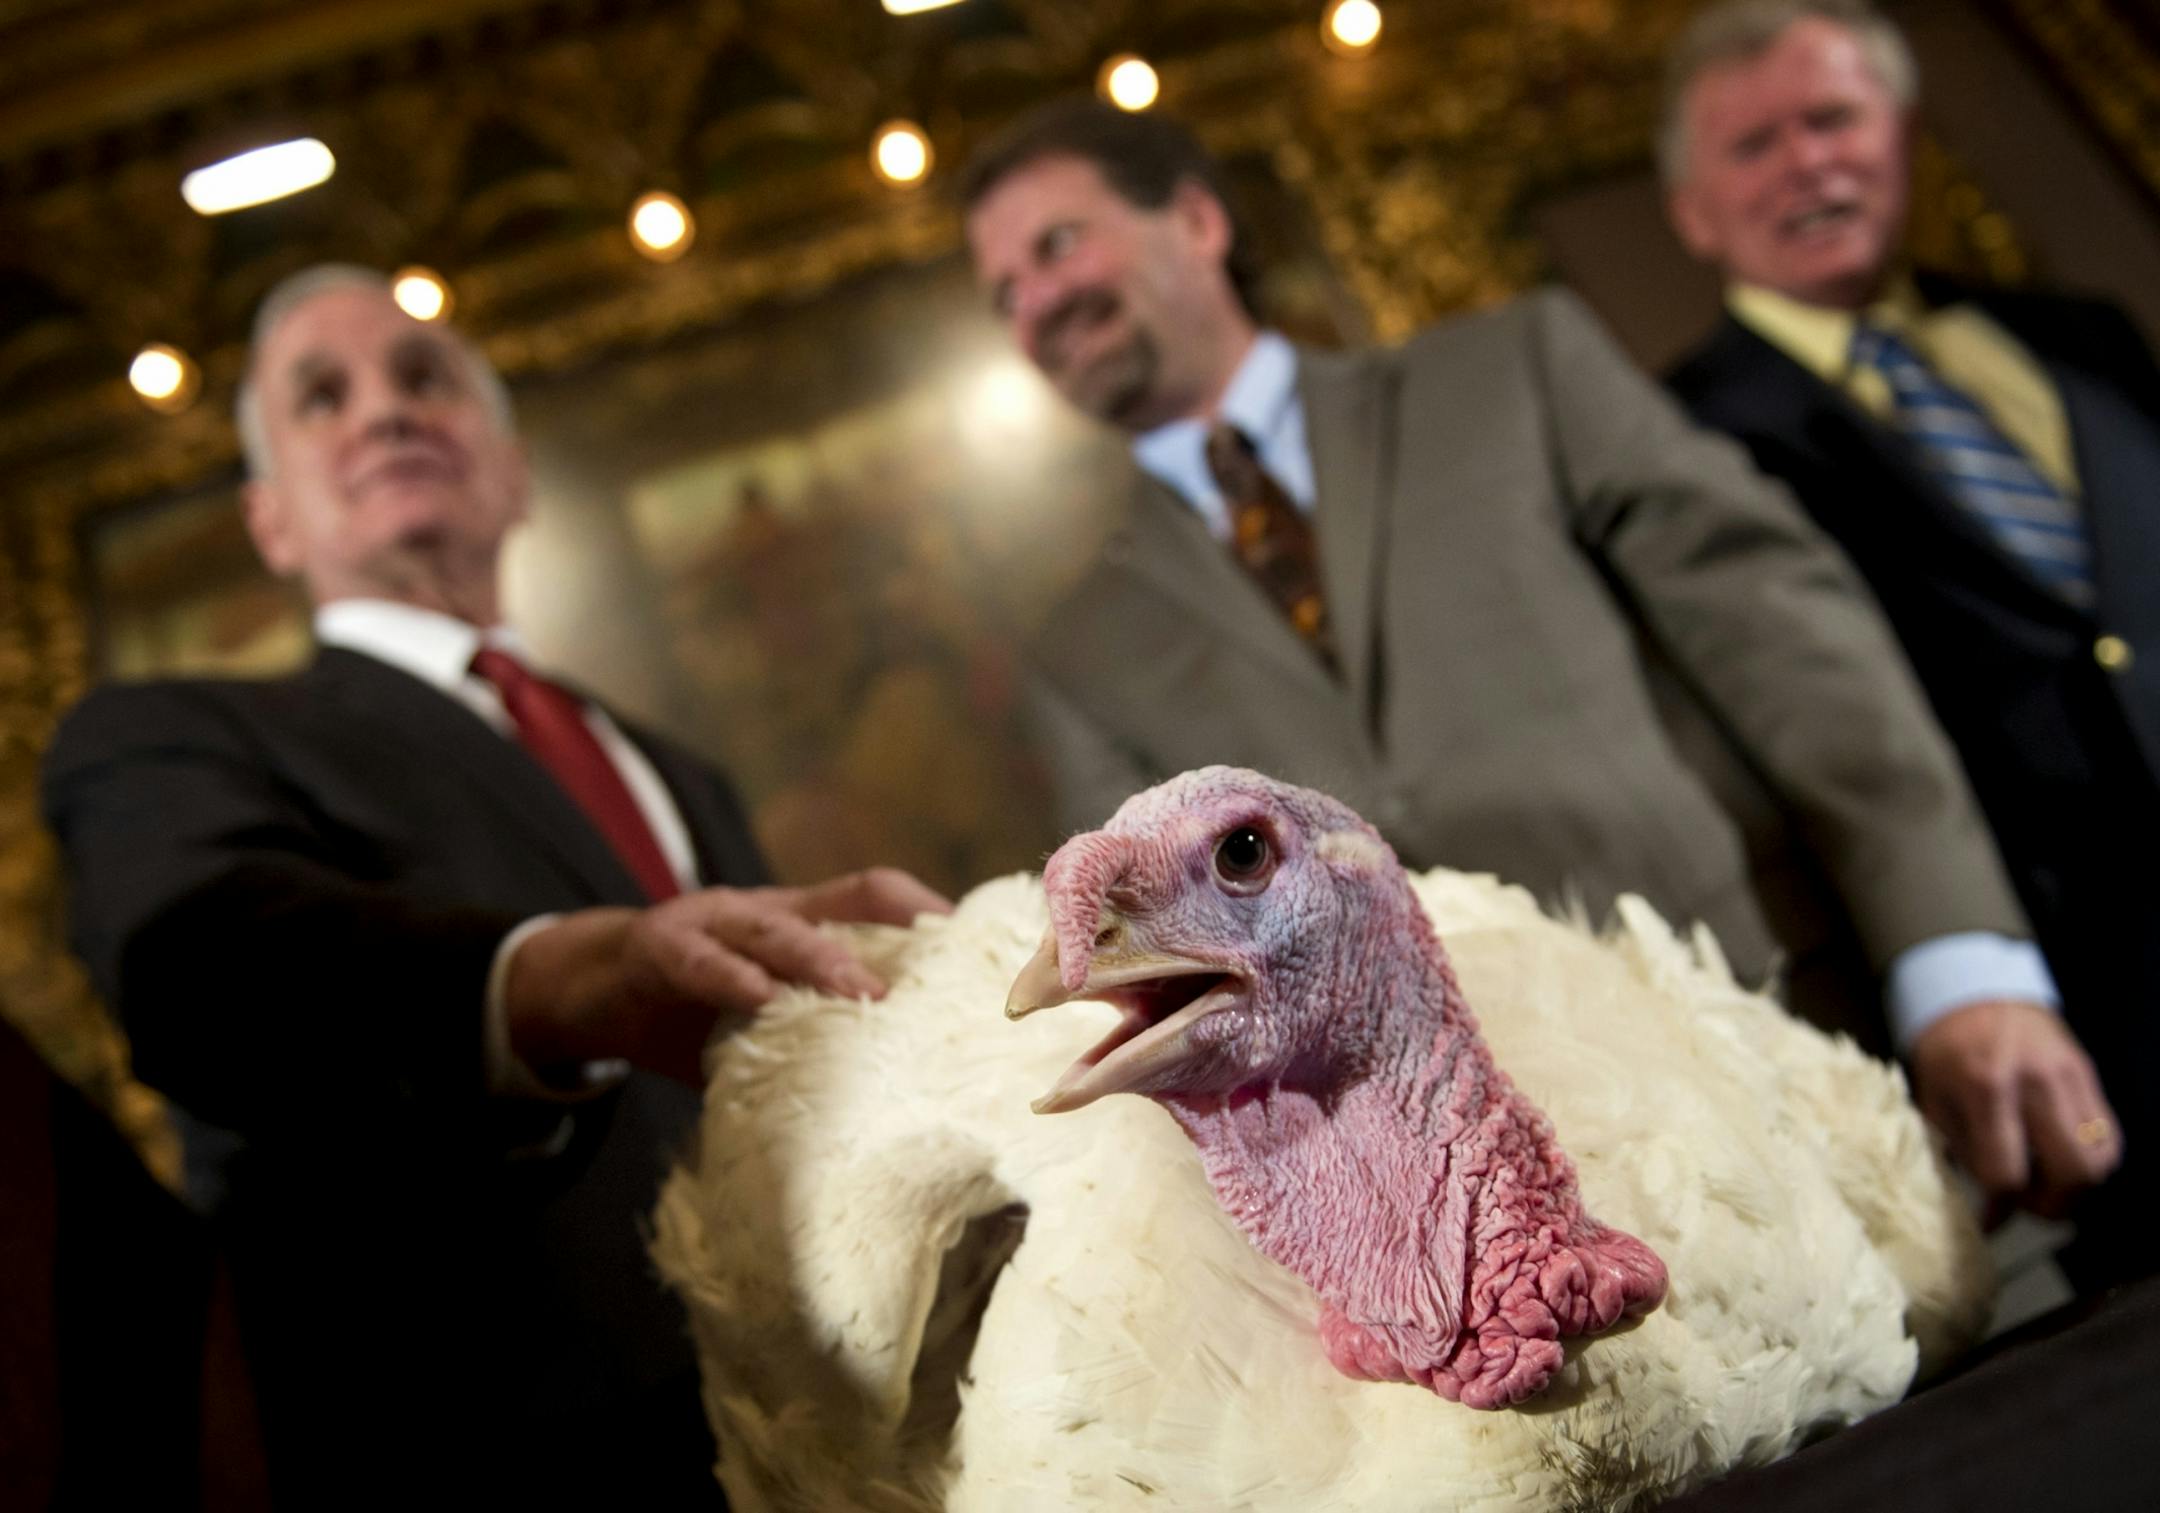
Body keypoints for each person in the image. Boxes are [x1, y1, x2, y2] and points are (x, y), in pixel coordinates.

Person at [959, 99, 2121, 1248]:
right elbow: (1169, 971)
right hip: (1485, 1210)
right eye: (1005, 291)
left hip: (1798, 1046)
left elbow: (1794, 650)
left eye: (1058, 244)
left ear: (1200, 221)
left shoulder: (1517, 368)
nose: (1039, 303)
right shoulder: (1080, 648)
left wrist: (1961, 965)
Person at [39, 265, 948, 1505]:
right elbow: (201, 969)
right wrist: (558, 980)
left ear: (513, 471)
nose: (384, 411)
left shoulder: (675, 769)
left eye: (424, 377)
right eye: (322, 397)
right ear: (271, 522)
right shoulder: (167, 736)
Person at [1660, 0, 2155, 1291]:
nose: (1808, 162)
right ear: (1692, 211)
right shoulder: (1683, 445)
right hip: (2069, 1024)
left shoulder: (2080, 335)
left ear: (1903, 135)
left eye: (1833, 118)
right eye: (1754, 145)